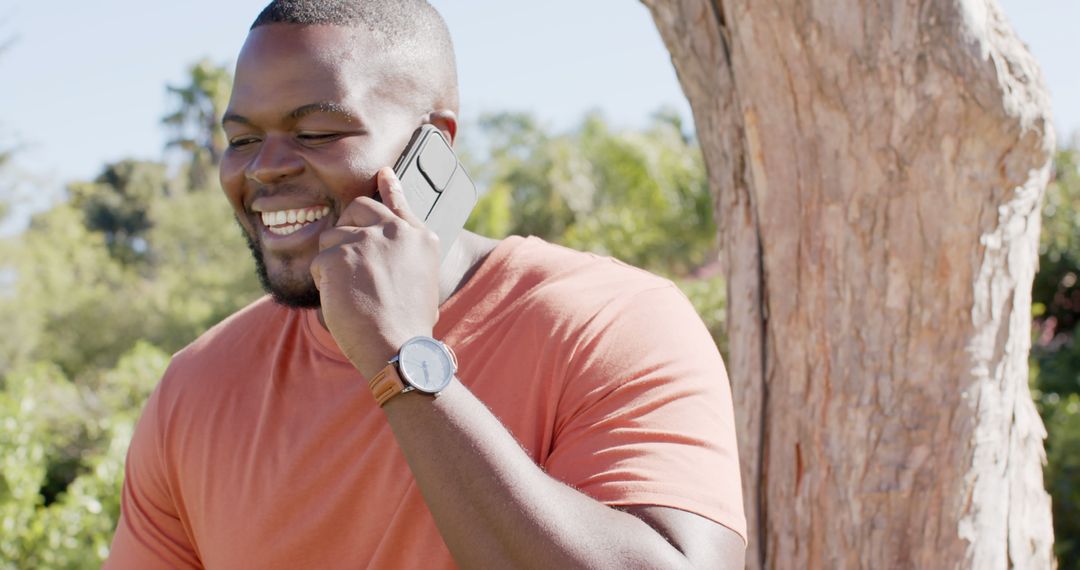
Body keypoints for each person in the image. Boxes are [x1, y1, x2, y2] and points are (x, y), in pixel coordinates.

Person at [105, 1, 746, 568]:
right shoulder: (195, 387)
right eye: (242, 139)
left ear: (432, 145)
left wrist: (399, 356)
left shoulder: (612, 322)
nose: (266, 167)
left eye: (318, 133)